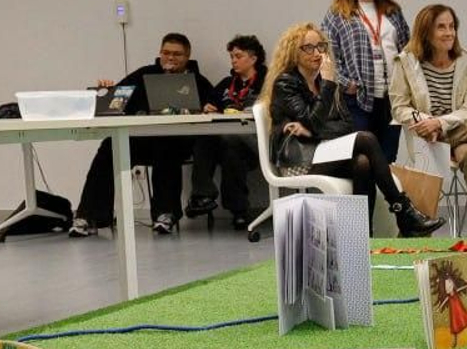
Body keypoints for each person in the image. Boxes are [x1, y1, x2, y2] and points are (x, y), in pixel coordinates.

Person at [264, 22, 443, 237]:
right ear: (294, 52)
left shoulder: (324, 83)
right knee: (365, 139)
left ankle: (361, 237)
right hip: (299, 160)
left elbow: (345, 126)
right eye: (308, 48)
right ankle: (403, 211)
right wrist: (328, 88)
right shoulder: (287, 83)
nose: (317, 53)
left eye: (320, 46)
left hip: (324, 153)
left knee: (363, 163)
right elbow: (312, 122)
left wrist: (317, 128)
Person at [69, 32, 215, 237]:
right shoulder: (143, 74)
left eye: (177, 54)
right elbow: (117, 100)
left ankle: (165, 214)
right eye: (166, 52)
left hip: (179, 142)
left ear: (187, 57)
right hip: (142, 141)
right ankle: (90, 216)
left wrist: (209, 108)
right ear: (160, 53)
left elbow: (215, 107)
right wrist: (107, 91)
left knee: (167, 147)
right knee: (110, 147)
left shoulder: (198, 81)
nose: (170, 58)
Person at [392, 4, 467, 240]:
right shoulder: (406, 62)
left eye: (452, 26)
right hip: (425, 135)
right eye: (441, 27)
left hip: (457, 130)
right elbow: (399, 106)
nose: (449, 32)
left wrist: (440, 124)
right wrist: (426, 121)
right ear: (426, 32)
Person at [321, 0, 408, 165]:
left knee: (388, 158)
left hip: (391, 98)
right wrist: (346, 84)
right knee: (362, 159)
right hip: (357, 99)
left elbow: (408, 48)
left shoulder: (392, 11)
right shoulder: (338, 14)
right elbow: (327, 54)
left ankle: (386, 199)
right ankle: (363, 199)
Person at [185, 34, 268, 228]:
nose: (233, 61)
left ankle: (225, 204)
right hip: (225, 143)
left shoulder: (268, 82)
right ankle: (210, 199)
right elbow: (209, 105)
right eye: (231, 57)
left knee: (231, 146)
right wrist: (209, 108)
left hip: (255, 144)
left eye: (238, 56)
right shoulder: (225, 84)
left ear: (253, 58)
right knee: (208, 139)